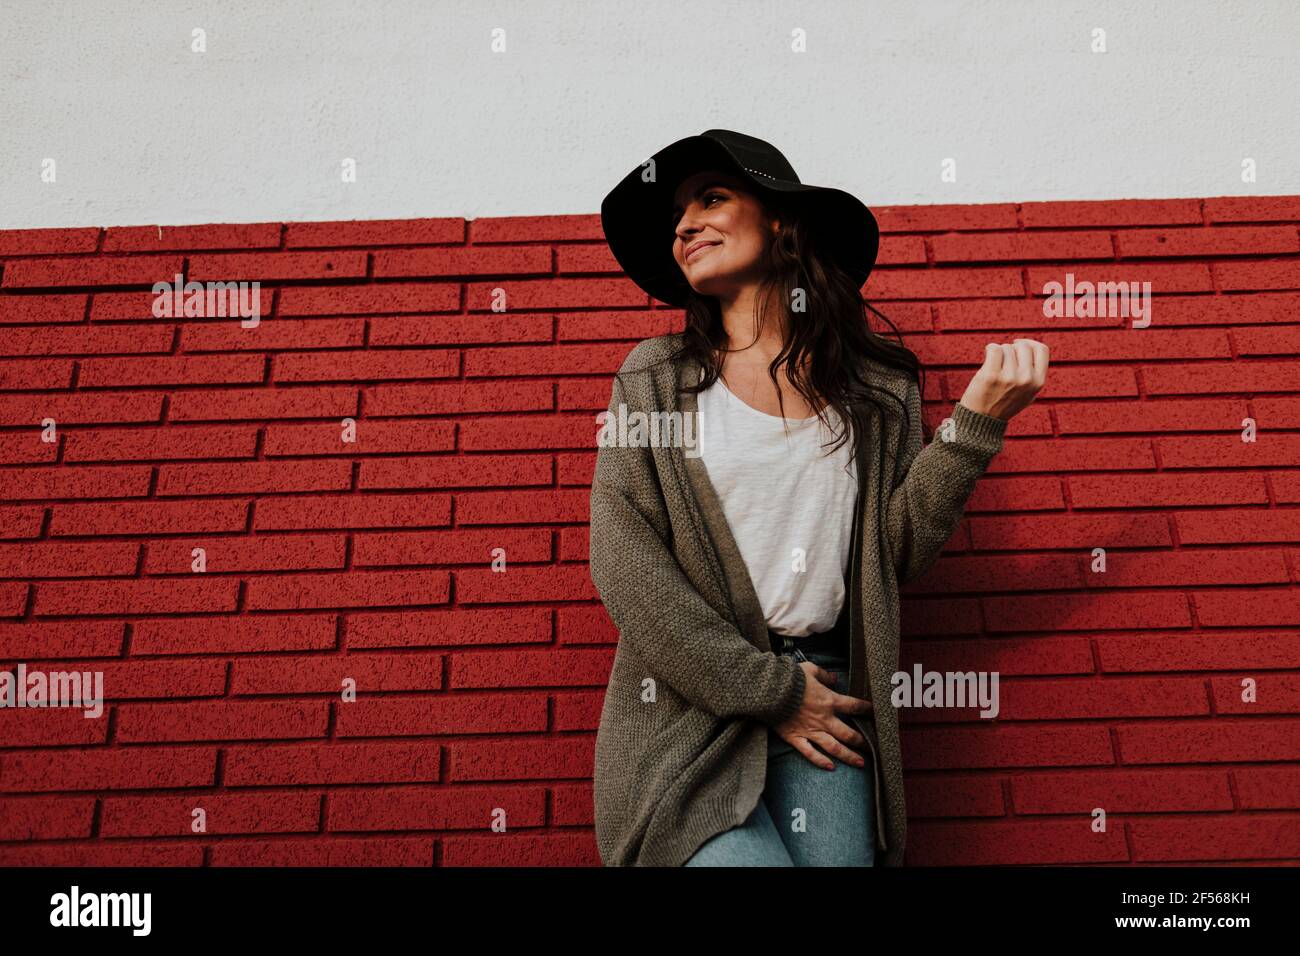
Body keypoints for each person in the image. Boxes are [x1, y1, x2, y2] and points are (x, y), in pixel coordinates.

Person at [590, 129, 1047, 866]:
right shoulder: (652, 379)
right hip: (688, 706)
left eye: (712, 198)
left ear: (780, 221)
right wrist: (770, 689)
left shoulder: (875, 392)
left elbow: (891, 554)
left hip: (831, 699)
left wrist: (975, 427)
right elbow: (623, 562)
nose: (684, 226)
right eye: (678, 215)